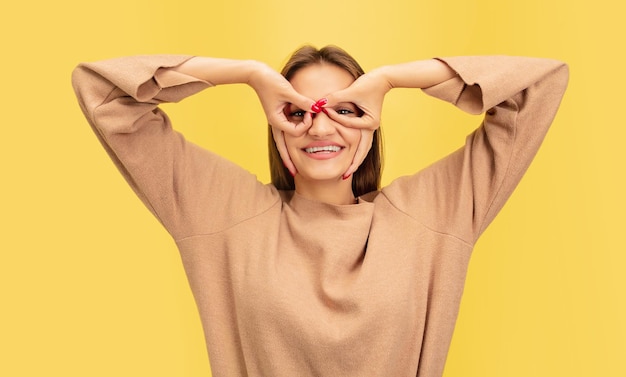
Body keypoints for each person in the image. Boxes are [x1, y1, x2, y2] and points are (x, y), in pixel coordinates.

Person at [72, 46, 569, 377]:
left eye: (345, 109)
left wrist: (393, 80)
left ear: (371, 124)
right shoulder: (223, 214)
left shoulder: (434, 214)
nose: (320, 126)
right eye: (297, 111)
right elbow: (105, 92)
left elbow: (539, 84)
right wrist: (248, 75)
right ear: (275, 121)